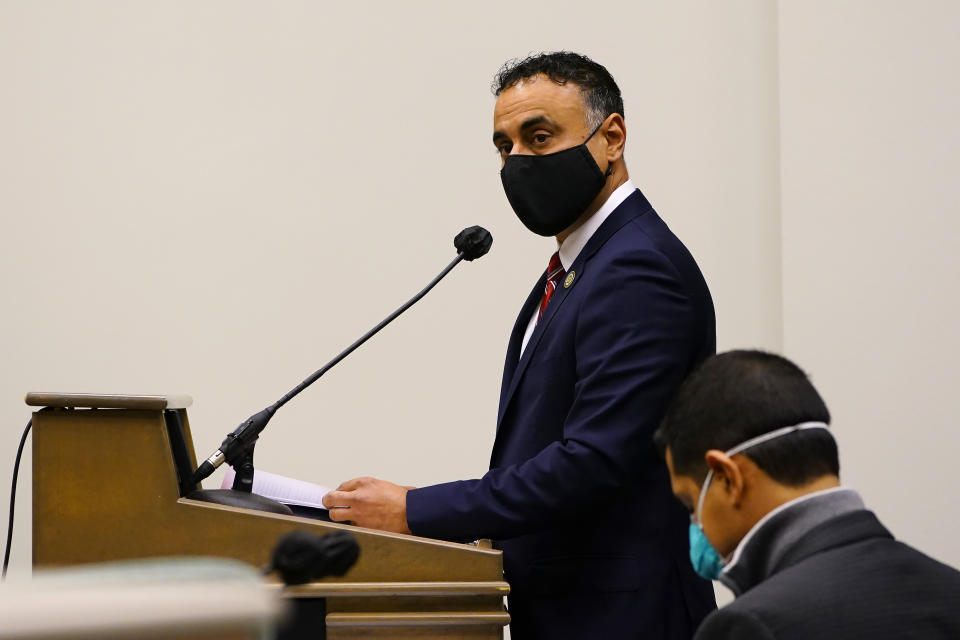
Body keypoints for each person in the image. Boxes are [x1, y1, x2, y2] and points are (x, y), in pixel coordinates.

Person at [322, 51, 717, 638]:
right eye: (505, 147)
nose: (518, 161)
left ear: (612, 138)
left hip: (624, 617)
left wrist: (417, 510)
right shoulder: (582, 265)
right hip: (571, 609)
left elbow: (593, 461)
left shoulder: (637, 267)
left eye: (539, 137)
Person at [654, 350, 960, 639]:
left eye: (691, 503)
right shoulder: (949, 589)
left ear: (729, 479)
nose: (695, 523)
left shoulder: (750, 625)